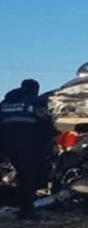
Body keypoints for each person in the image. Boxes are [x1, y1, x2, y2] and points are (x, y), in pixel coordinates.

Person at [0, 79, 55, 219]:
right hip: (28, 145)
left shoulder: (4, 103)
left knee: (15, 175)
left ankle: (14, 202)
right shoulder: (36, 101)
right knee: (29, 177)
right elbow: (45, 122)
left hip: (6, 145)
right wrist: (51, 139)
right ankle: (26, 210)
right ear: (35, 89)